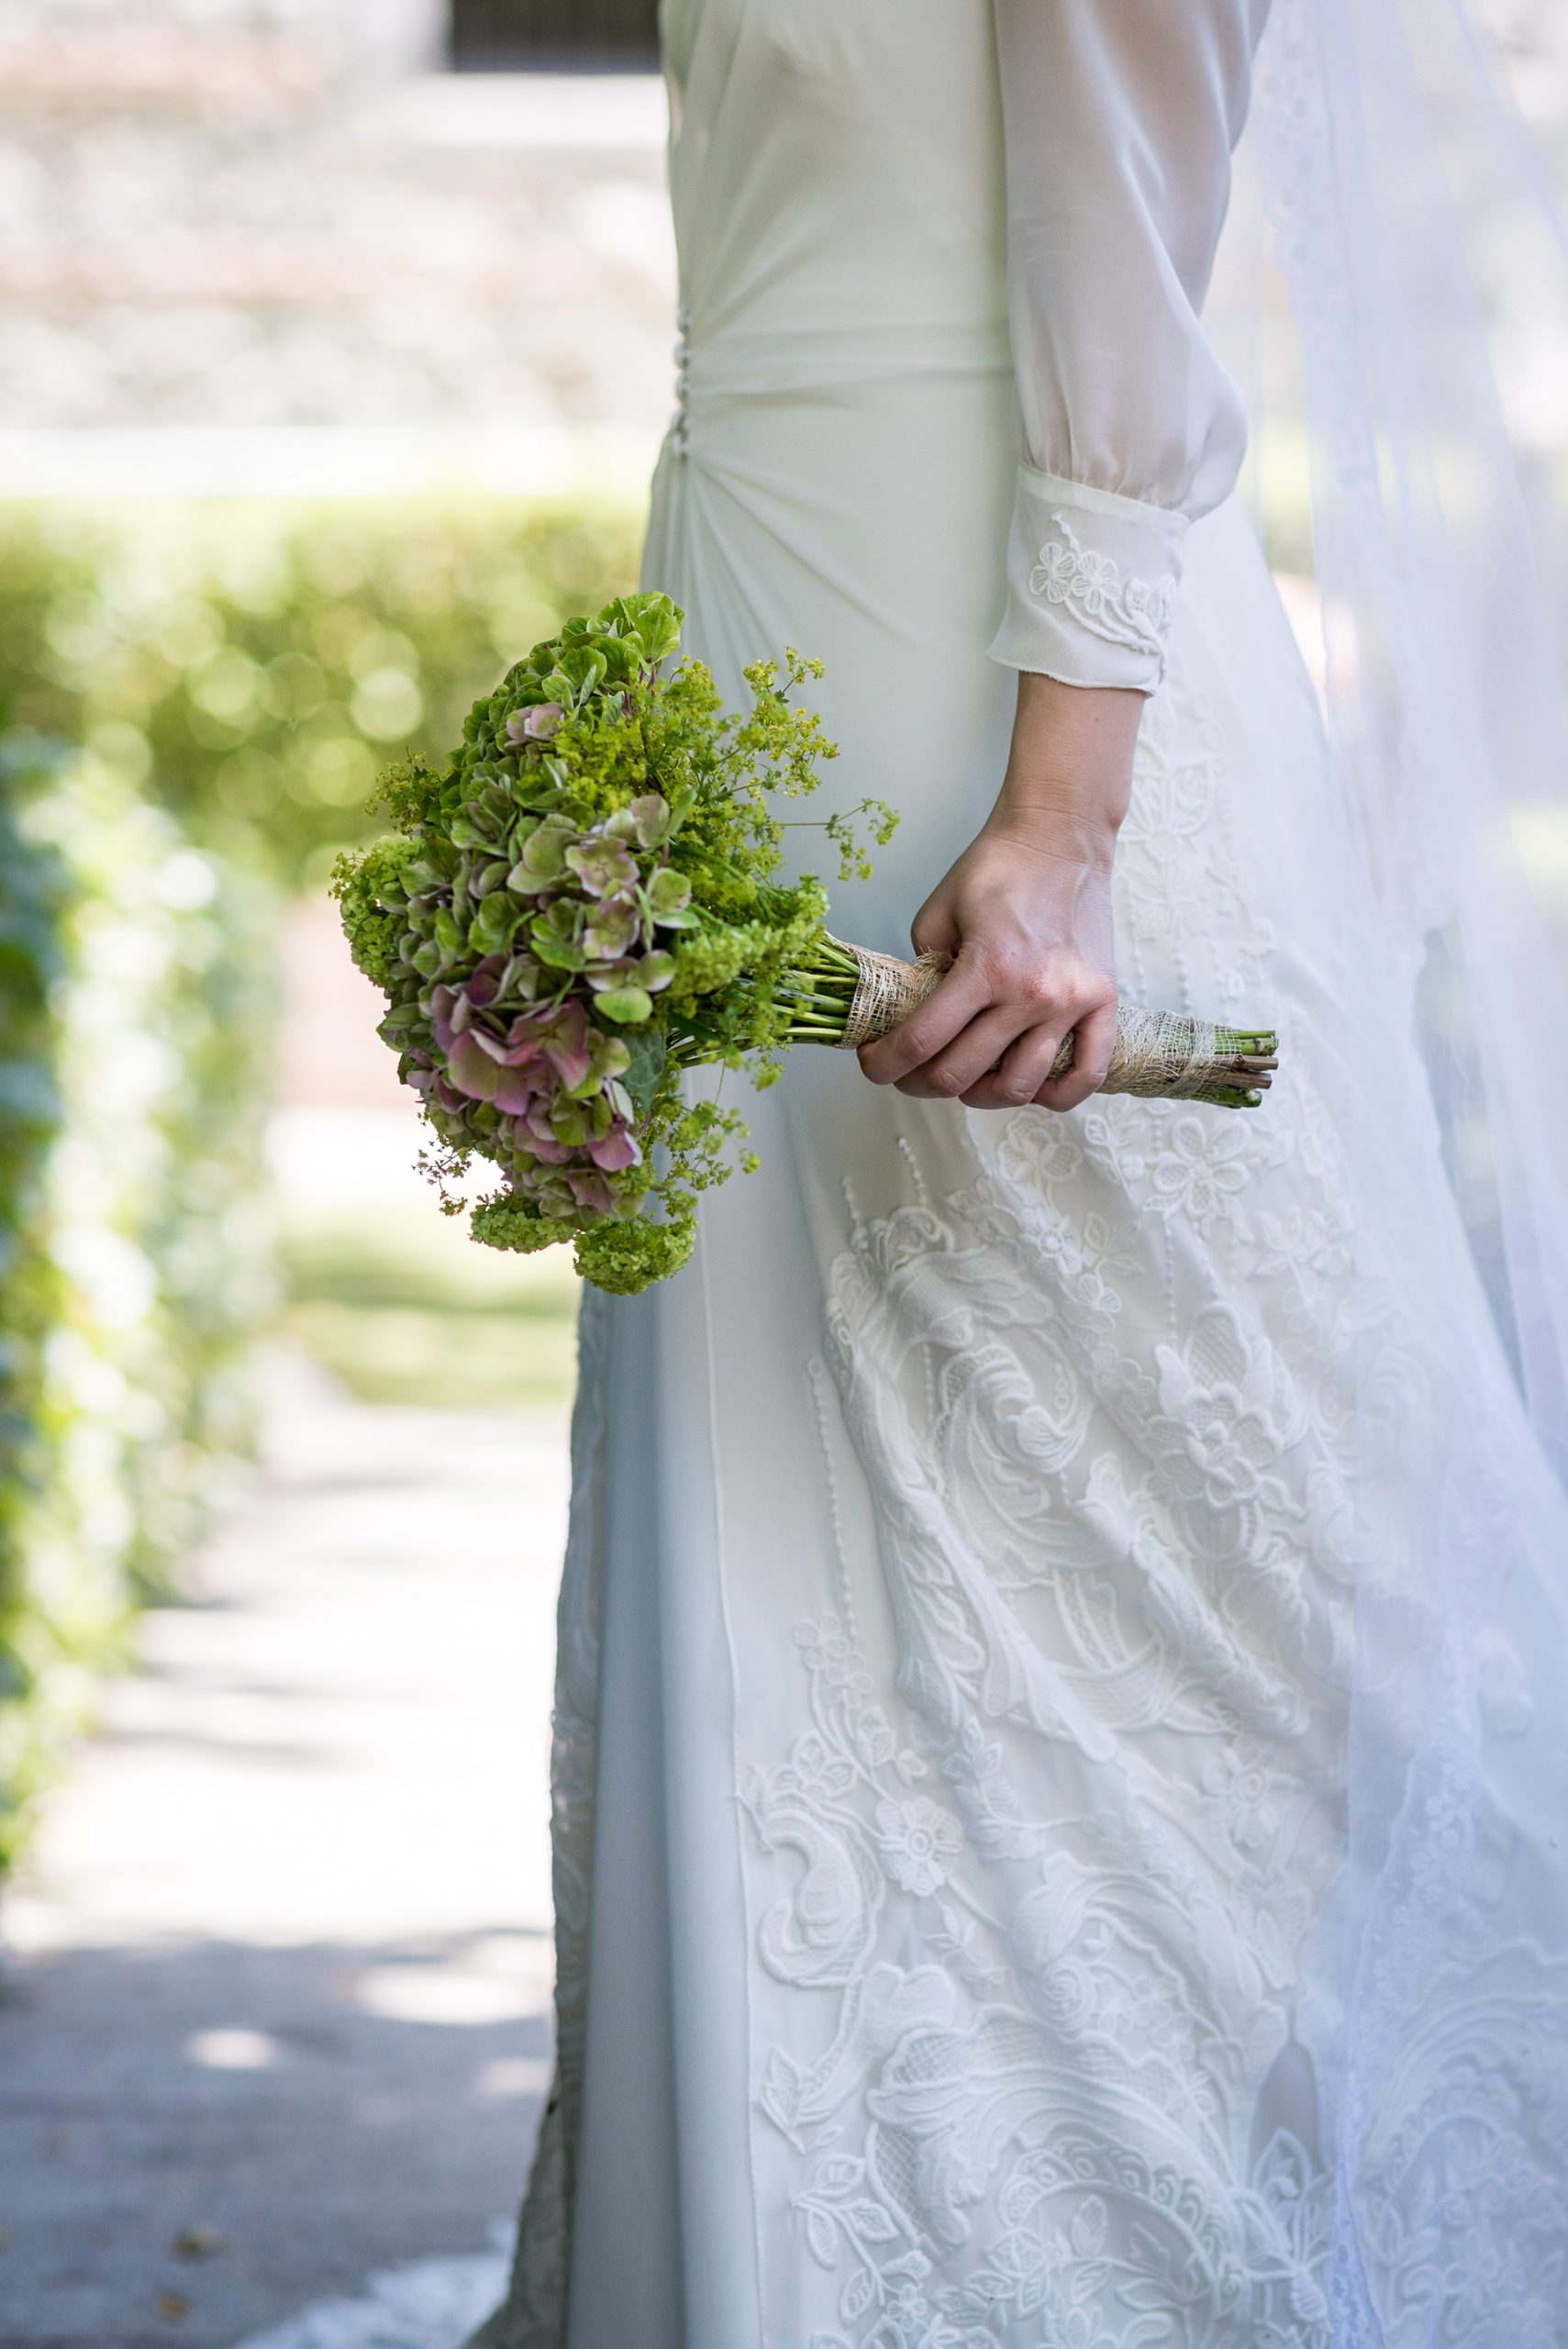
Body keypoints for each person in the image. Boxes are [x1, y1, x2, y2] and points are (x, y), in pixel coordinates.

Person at [472, 3, 1568, 2343]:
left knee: (1150, 1578)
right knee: (777, 1549)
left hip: (1011, 733)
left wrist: (1063, 828)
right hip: (759, 649)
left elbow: (1134, 251)